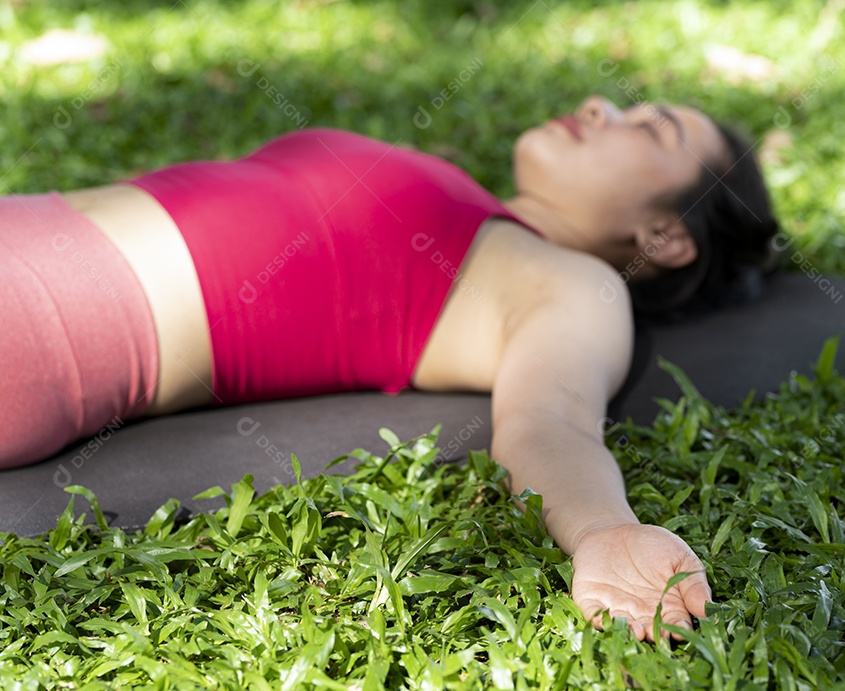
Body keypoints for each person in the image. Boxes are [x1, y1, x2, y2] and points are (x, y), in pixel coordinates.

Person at [0, 95, 779, 642]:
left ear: (666, 235)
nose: (602, 106)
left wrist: (604, 529)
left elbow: (551, 420)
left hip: (53, 318)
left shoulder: (576, 287)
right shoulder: (476, 205)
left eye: (653, 128)